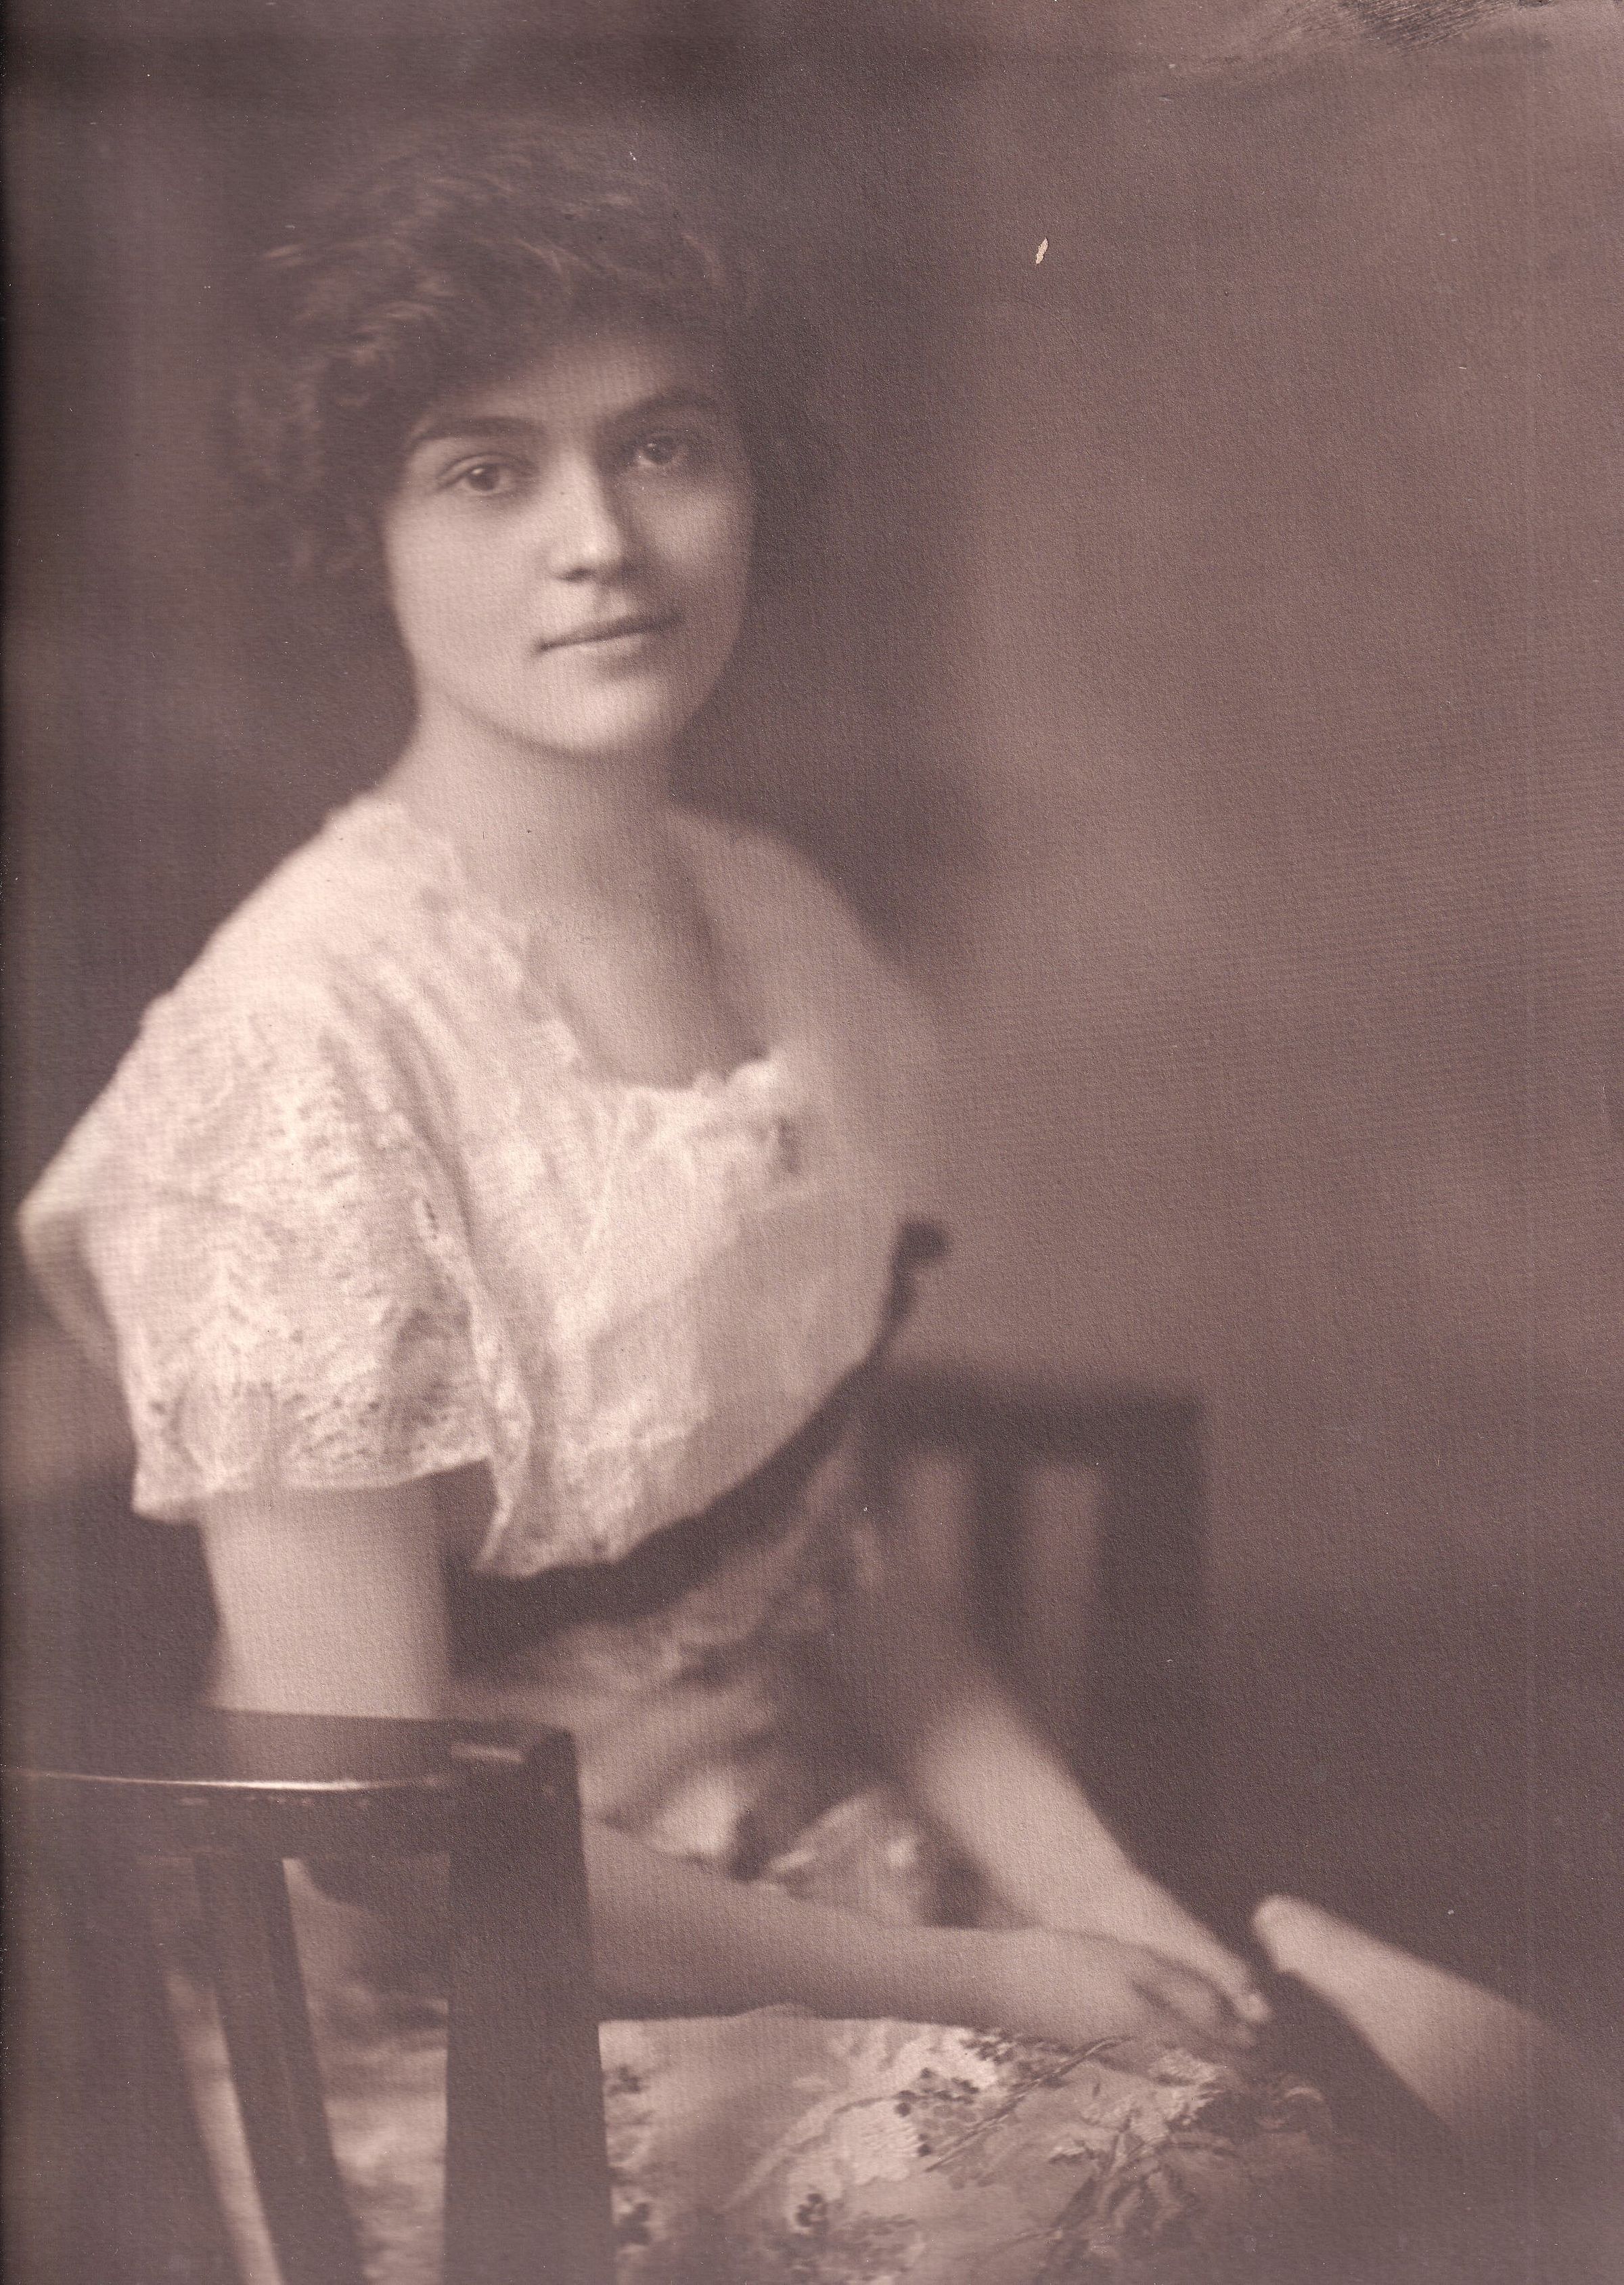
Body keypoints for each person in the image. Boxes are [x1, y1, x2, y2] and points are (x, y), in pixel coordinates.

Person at [21, 124, 1409, 2282]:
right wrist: (994, 1981)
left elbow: (819, 1553)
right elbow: (381, 1853)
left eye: (664, 448)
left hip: (821, 1871)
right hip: (460, 2049)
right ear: (362, 529)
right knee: (1240, 2203)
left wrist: (1102, 1897)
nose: (599, 542)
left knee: (1421, 2103)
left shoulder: (781, 931)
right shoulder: (291, 1068)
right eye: (488, 473)